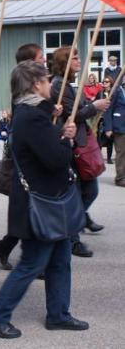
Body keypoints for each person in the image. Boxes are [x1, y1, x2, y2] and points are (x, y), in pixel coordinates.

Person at [0, 60, 88, 339]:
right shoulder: (32, 117)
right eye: (46, 79)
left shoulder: (33, 113)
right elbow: (55, 159)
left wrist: (59, 127)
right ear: (35, 84)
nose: (51, 83)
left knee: (61, 260)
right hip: (40, 204)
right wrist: (67, 139)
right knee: (32, 263)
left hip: (51, 201)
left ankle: (59, 314)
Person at [0, 43, 61, 271]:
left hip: (29, 151)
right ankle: (33, 262)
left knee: (26, 211)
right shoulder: (22, 85)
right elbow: (29, 116)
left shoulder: (35, 84)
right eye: (40, 57)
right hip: (24, 155)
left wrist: (51, 109)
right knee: (27, 209)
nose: (44, 60)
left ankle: (8, 248)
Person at [51, 47, 110, 257]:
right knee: (80, 193)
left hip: (80, 143)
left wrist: (94, 102)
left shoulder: (68, 84)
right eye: (74, 58)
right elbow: (72, 115)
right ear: (64, 62)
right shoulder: (58, 85)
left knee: (88, 190)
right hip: (73, 146)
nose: (79, 60)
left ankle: (77, 223)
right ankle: (72, 237)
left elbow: (80, 105)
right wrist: (94, 106)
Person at [104, 78, 125, 187]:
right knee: (121, 152)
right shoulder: (116, 91)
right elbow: (108, 109)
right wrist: (108, 127)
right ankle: (120, 178)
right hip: (120, 126)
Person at [97, 77, 114, 164]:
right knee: (100, 139)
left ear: (111, 83)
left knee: (110, 139)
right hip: (101, 118)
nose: (105, 83)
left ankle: (109, 158)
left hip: (110, 118)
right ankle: (99, 158)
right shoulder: (100, 93)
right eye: (104, 82)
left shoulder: (114, 93)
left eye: (107, 82)